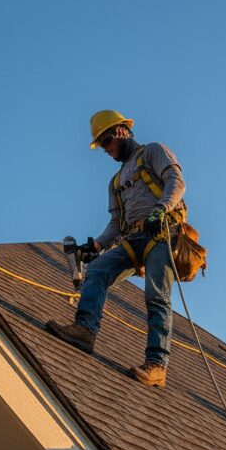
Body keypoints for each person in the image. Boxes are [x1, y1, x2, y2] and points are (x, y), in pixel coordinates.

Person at [46, 110, 187, 388]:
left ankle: (157, 365)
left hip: (162, 232)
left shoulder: (153, 152)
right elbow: (115, 223)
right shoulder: (116, 181)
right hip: (133, 239)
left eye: (107, 142)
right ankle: (85, 331)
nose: (106, 150)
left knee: (156, 294)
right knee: (97, 269)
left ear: (121, 132)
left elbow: (176, 182)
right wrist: (97, 244)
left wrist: (160, 210)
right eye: (101, 146)